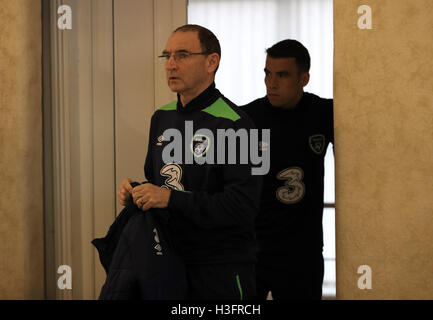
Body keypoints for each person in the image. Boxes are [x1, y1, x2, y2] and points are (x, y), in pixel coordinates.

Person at [117, 24, 261, 300]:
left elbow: (243, 207)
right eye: (167, 56)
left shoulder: (239, 124)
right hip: (167, 262)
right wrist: (137, 191)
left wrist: (169, 198)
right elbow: (161, 184)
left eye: (182, 55)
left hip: (220, 269)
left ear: (211, 62)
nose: (171, 64)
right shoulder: (161, 116)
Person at [242, 39, 334, 300]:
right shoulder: (245, 119)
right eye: (267, 73)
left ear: (304, 78)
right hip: (252, 250)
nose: (271, 83)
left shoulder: (325, 113)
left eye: (282, 75)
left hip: (302, 253)